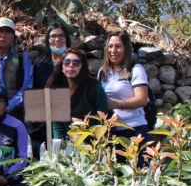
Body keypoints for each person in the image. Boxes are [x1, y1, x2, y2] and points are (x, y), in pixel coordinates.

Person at [98, 30, 150, 164]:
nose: (113, 50)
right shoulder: (103, 72)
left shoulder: (135, 70)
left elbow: (142, 99)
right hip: (111, 132)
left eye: (118, 46)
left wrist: (117, 104)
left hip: (134, 130)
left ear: (126, 49)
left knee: (136, 174)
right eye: (110, 46)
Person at [45, 48, 109, 139]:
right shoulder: (57, 89)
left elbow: (103, 122)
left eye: (76, 63)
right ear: (62, 67)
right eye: (67, 62)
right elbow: (57, 125)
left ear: (82, 67)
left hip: (92, 147)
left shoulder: (94, 88)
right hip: (68, 148)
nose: (71, 66)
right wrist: (60, 147)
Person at [33, 23, 71, 89]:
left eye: (61, 36)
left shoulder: (74, 62)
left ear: (66, 38)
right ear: (48, 39)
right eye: (53, 36)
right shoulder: (39, 64)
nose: (57, 39)